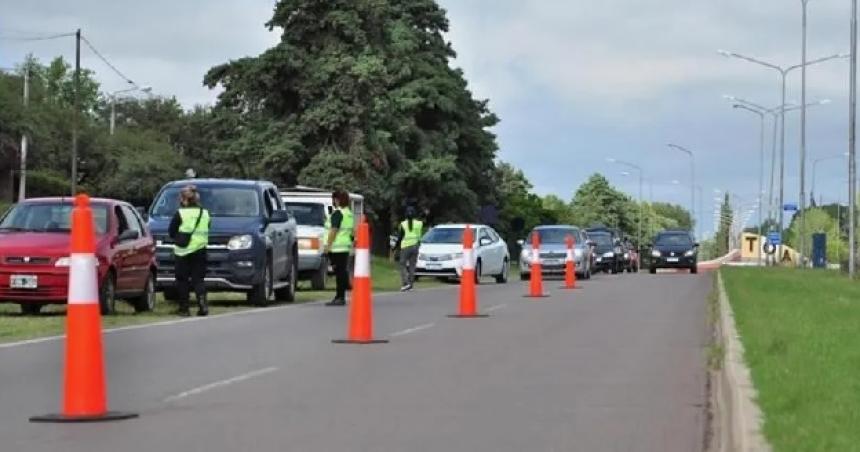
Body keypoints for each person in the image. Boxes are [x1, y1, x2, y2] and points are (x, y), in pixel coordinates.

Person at [169, 185, 211, 317]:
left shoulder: (180, 213)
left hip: (183, 251)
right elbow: (208, 227)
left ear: (184, 199)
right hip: (200, 249)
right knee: (199, 279)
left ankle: (184, 308)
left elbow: (171, 231)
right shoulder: (204, 213)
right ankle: (203, 305)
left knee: (182, 280)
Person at [324, 189, 354, 306]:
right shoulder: (349, 214)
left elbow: (333, 230)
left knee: (339, 273)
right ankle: (343, 291)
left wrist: (328, 245)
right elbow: (351, 232)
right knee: (342, 272)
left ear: (337, 200)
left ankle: (340, 297)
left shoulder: (338, 213)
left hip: (336, 248)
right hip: (344, 247)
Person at [394, 206, 423, 291]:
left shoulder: (403, 224)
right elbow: (419, 235)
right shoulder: (419, 223)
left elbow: (400, 237)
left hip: (406, 246)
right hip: (415, 245)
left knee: (402, 264)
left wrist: (396, 246)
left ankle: (405, 283)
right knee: (412, 266)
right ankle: (411, 285)